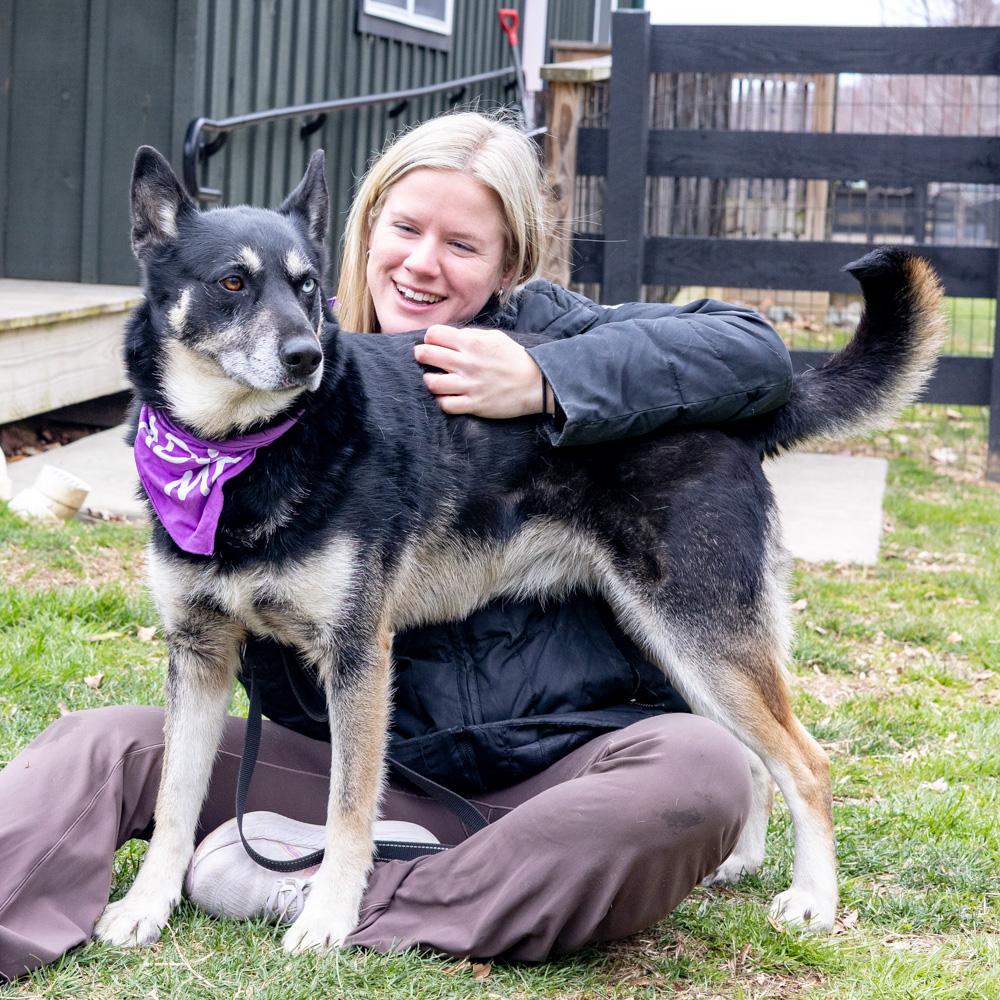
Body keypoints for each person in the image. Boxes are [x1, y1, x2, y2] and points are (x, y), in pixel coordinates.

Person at [0, 111, 793, 981]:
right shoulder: (281, 390)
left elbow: (753, 351)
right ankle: (266, 876)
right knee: (99, 745)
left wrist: (545, 380)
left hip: (554, 781)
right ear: (365, 228)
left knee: (701, 773)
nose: (422, 263)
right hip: (339, 771)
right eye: (406, 228)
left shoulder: (557, 338)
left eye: (463, 244)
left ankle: (331, 892)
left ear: (510, 265)